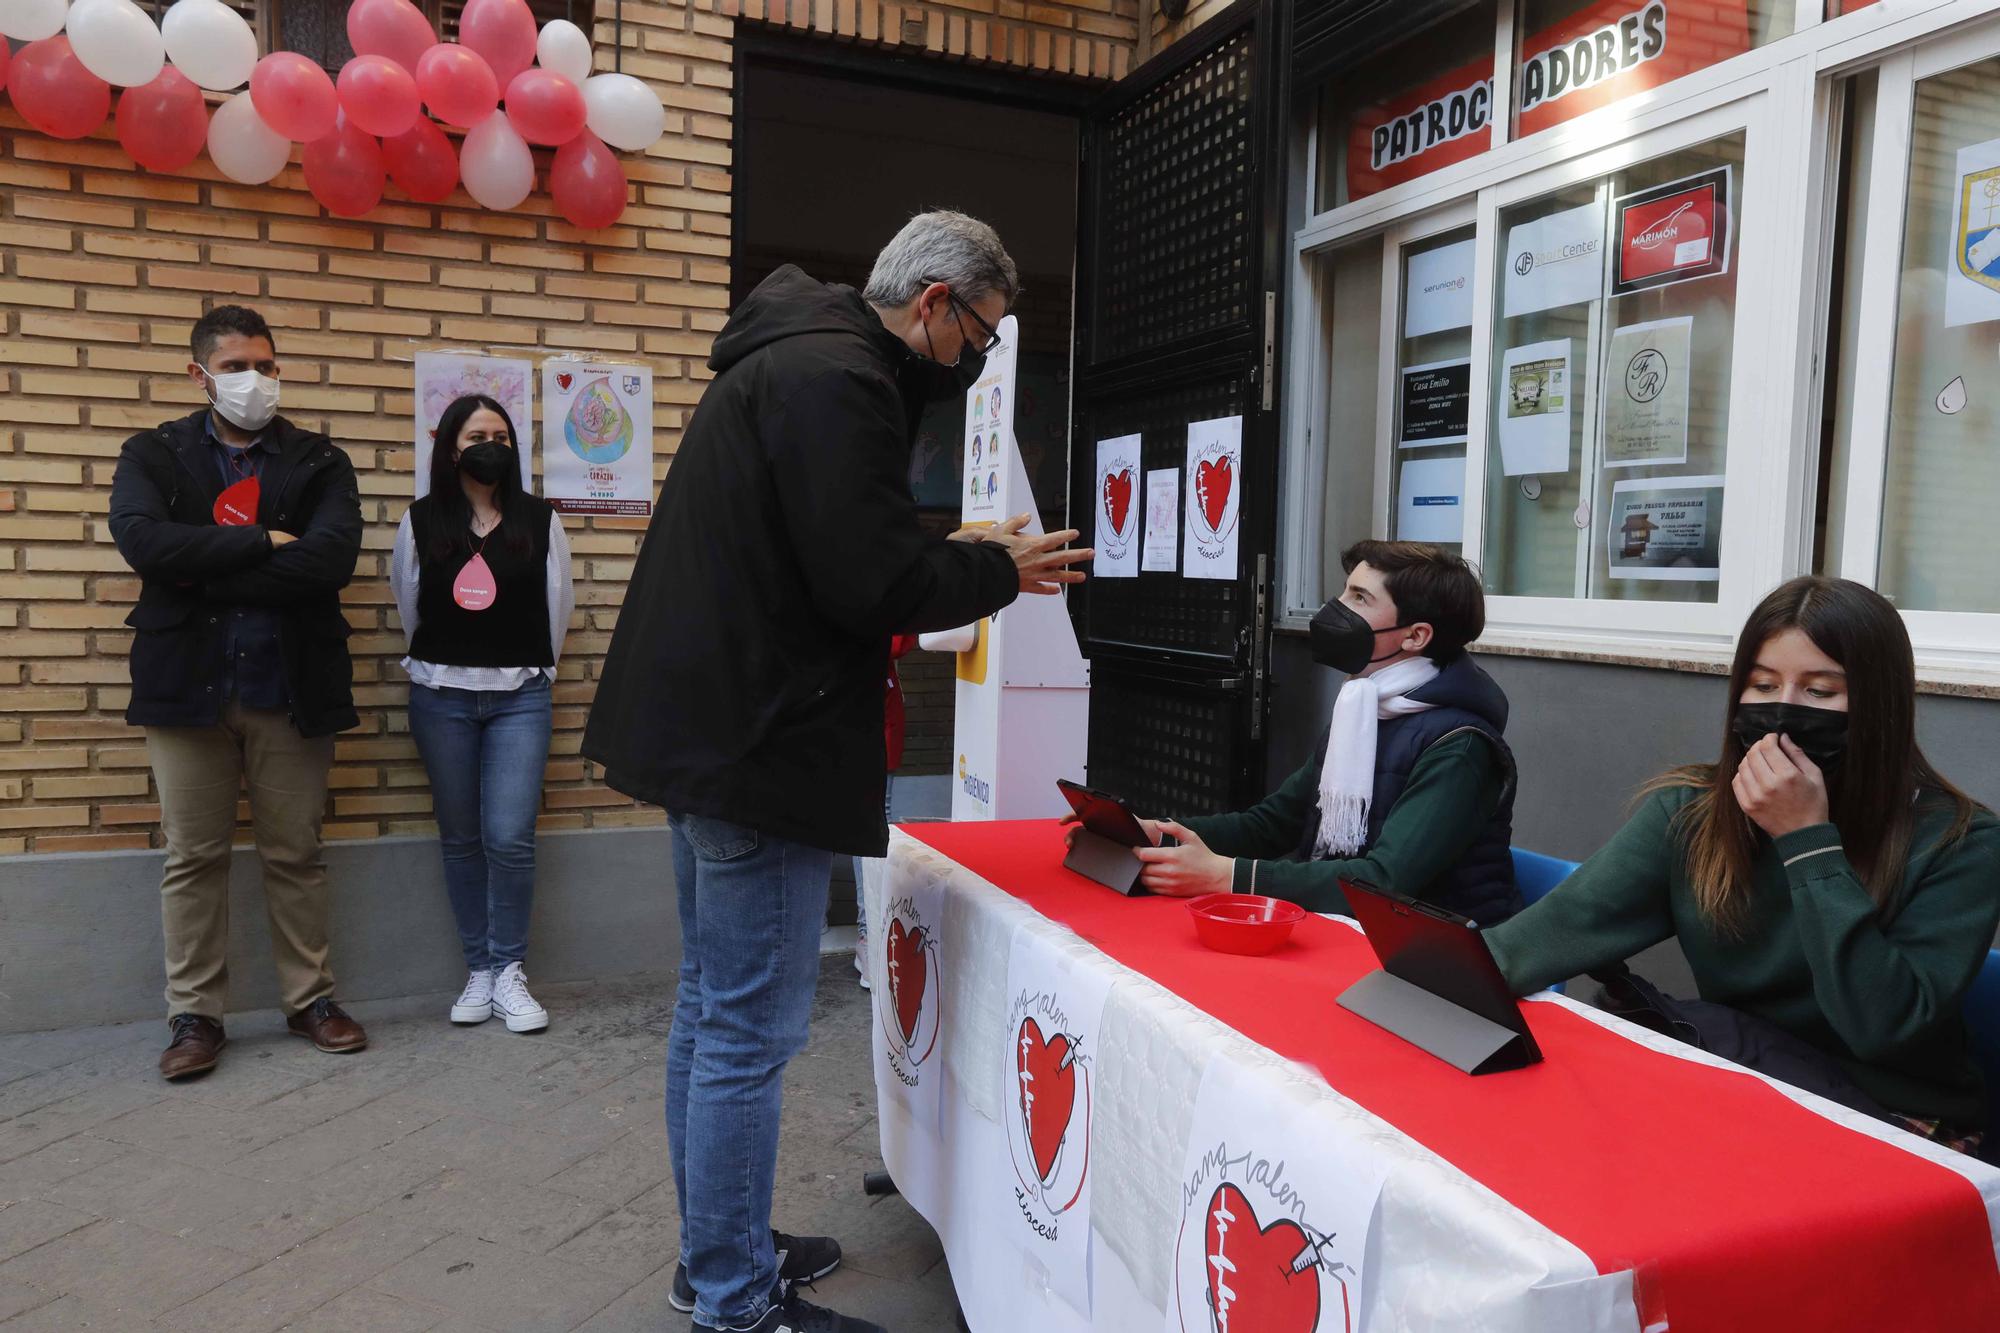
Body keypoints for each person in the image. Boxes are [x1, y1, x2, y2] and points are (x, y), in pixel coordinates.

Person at [584, 212, 1091, 1333]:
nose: (976, 360)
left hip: (715, 730)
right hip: (759, 741)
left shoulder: (798, 356)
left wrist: (956, 555)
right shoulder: (837, 380)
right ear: (935, 303)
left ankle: (714, 1247)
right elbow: (864, 581)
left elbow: (832, 543)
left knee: (709, 1011)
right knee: (745, 1031)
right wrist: (991, 569)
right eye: (983, 334)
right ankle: (729, 1297)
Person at [1485, 577, 2000, 1154]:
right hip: (1744, 1081)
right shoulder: (1692, 811)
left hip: (1896, 1122)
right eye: (1762, 684)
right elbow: (1548, 935)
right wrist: (1414, 981)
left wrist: (1807, 839)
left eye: (1821, 691)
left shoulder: (1961, 839)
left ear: (1880, 705)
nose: (1783, 710)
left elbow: (1881, 1027)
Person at [109, 304, 368, 1080]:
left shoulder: (319, 459)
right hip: (186, 685)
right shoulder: (154, 452)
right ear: (199, 375)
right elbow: (143, 542)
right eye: (234, 367)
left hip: (287, 684)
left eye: (265, 363)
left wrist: (199, 562)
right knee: (194, 857)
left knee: (297, 851)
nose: (254, 380)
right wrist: (259, 541)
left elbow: (330, 560)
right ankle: (196, 1016)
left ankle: (311, 999)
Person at [1103, 541, 1523, 925]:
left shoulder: (1462, 746)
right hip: (1352, 936)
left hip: (1439, 967)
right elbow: (1272, 824)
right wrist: (1159, 832)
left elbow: (1384, 881)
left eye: (1359, 598)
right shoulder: (1363, 711)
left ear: (1416, 636)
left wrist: (1227, 877)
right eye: (1345, 591)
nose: (1335, 608)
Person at [394, 395, 574, 1034]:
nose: (490, 444)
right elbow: (409, 607)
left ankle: (509, 970)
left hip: (519, 699)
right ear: (451, 447)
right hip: (441, 696)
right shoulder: (420, 522)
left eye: (500, 434)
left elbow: (558, 607)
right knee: (462, 837)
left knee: (509, 838)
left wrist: (536, 670)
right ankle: (478, 968)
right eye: (477, 434)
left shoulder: (540, 520)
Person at [852, 633, 919, 991]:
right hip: (855, 711)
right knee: (869, 822)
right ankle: (867, 934)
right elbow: (894, 640)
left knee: (872, 820)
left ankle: (868, 933)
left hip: (871, 711)